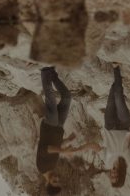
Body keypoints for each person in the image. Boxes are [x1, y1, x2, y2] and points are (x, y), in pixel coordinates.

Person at [36, 66, 92, 195]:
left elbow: (46, 148)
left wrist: (63, 151)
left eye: (54, 181)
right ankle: (53, 74)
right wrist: (67, 141)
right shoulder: (52, 167)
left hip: (49, 127)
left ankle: (45, 71)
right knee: (67, 97)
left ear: (47, 183)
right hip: (58, 128)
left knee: (51, 99)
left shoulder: (42, 167)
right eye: (58, 180)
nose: (57, 178)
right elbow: (56, 146)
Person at [84, 65, 130, 188]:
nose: (112, 175)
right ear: (121, 175)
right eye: (116, 177)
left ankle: (117, 79)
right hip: (125, 125)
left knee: (112, 94)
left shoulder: (107, 162)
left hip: (109, 124)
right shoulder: (129, 161)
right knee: (118, 98)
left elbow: (95, 147)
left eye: (111, 177)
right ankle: (116, 68)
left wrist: (78, 149)